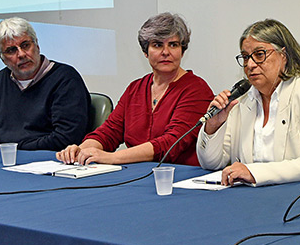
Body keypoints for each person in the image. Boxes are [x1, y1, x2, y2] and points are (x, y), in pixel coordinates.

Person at [57, 13, 213, 165]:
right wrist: (81, 150)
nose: (166, 52)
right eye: (157, 45)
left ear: (182, 50)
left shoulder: (197, 89)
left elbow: (170, 144)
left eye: (173, 45)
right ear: (145, 52)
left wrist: (112, 158)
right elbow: (109, 132)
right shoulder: (135, 88)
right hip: (136, 175)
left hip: (180, 177)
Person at [197, 19, 300, 186]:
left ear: (283, 56)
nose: (250, 64)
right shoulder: (240, 99)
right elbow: (211, 164)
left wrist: (254, 172)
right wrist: (213, 127)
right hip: (250, 197)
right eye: (246, 57)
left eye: (259, 55)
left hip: (299, 196)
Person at [0, 17, 90, 151]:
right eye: (11, 50)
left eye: (25, 45)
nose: (22, 54)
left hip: (52, 161)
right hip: (10, 160)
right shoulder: (1, 79)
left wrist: (14, 148)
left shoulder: (65, 78)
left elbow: (66, 138)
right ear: (2, 58)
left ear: (37, 45)